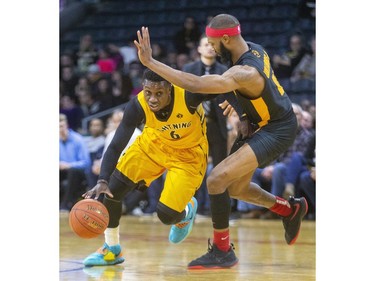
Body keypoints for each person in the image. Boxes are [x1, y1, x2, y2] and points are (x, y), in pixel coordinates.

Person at [134, 13, 308, 269]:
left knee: (216, 179)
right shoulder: (254, 50)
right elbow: (259, 91)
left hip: (276, 129)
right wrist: (243, 109)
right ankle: (289, 209)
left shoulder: (245, 71)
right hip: (261, 124)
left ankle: (222, 250)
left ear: (225, 38)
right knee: (236, 188)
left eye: (214, 45)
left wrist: (151, 62)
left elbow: (198, 84)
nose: (213, 51)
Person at [81, 68, 216, 267]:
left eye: (159, 93)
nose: (152, 99)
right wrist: (102, 180)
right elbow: (116, 144)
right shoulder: (137, 105)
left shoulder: (189, 94)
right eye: (148, 92)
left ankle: (187, 210)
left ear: (170, 89)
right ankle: (111, 249)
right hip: (153, 146)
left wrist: (244, 113)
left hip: (188, 155)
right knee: (111, 191)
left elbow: (227, 86)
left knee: (166, 216)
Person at [182, 34, 230, 215]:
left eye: (212, 45)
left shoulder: (224, 70)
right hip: (194, 126)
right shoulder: (189, 68)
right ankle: (192, 208)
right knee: (194, 167)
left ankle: (218, 210)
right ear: (199, 49)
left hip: (217, 126)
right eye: (206, 44)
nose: (210, 47)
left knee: (220, 170)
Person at [59, 114, 91, 211]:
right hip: (61, 171)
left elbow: (86, 162)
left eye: (62, 126)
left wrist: (69, 165)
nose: (60, 129)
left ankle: (65, 205)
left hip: (78, 172)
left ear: (67, 125)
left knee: (72, 171)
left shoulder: (78, 139)